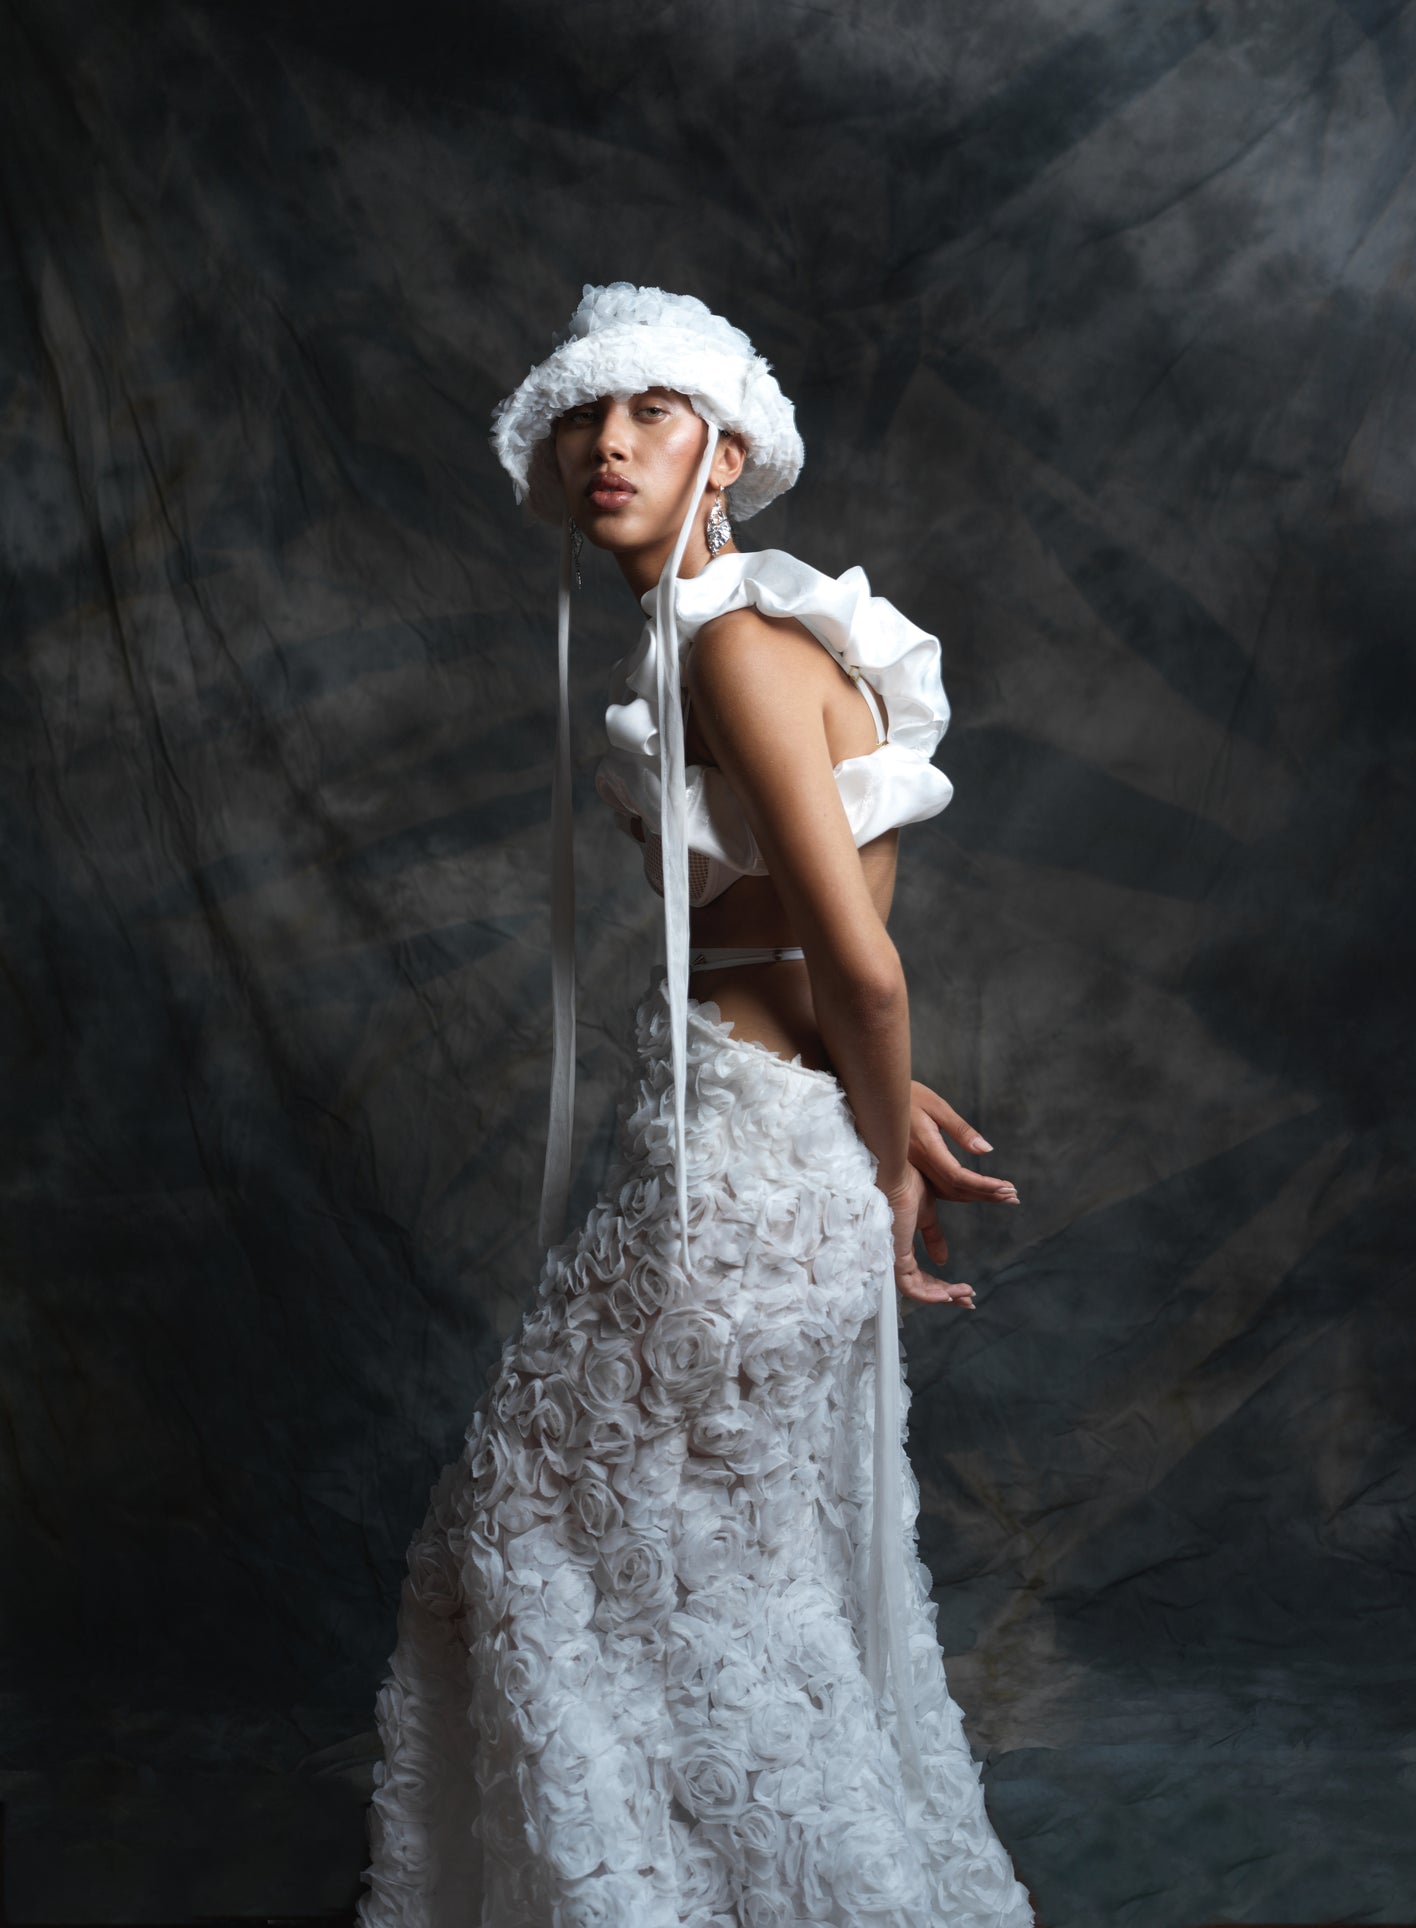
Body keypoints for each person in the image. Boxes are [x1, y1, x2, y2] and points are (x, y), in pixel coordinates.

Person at [355, 283, 1035, 1928]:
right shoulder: (736, 641)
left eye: (650, 412)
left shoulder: (735, 644)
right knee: (707, 1582)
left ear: (724, 453)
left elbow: (858, 965)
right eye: (582, 418)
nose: (606, 444)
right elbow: (801, 954)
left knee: (536, 1540)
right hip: (747, 1144)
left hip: (740, 1181)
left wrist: (881, 1151)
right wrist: (873, 1103)